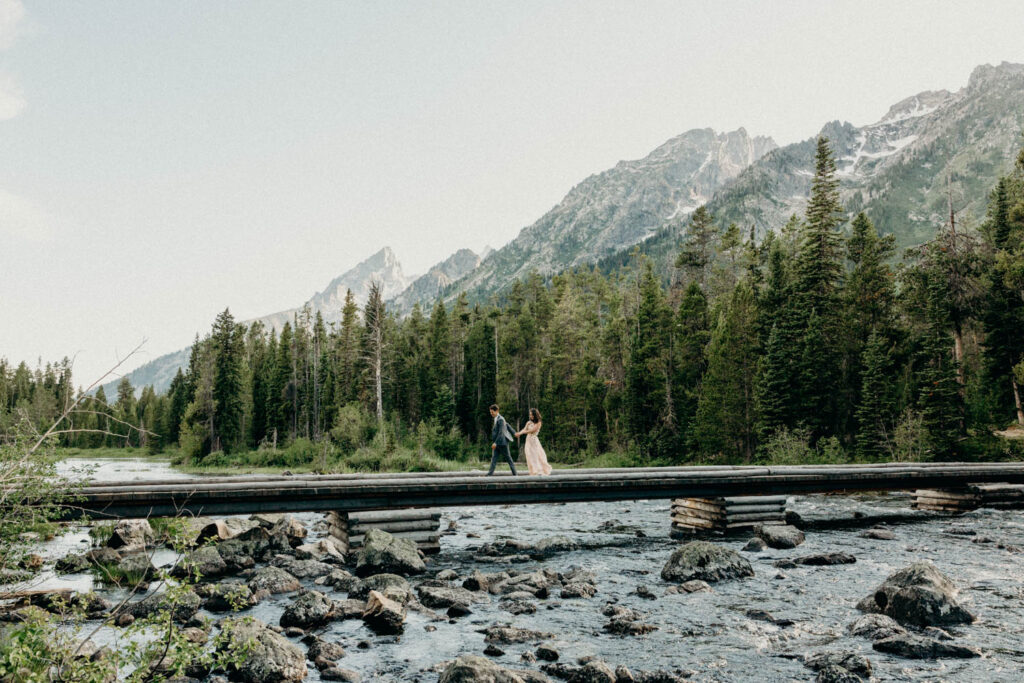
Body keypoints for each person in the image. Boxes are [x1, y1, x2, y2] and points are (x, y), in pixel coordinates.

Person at [516, 408, 552, 476]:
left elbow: (533, 430)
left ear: (535, 415)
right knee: (529, 456)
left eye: (532, 415)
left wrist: (523, 433)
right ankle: (533, 471)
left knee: (536, 455)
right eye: (530, 415)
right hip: (528, 441)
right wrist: (519, 433)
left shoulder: (539, 422)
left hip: (534, 441)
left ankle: (539, 471)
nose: (530, 416)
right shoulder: (528, 422)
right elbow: (524, 429)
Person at [487, 404, 517, 476]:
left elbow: (501, 432)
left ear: (497, 411)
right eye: (490, 412)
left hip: (502, 443)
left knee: (509, 459)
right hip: (497, 443)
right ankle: (489, 475)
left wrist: (495, 443)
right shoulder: (497, 418)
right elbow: (507, 425)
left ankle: (515, 475)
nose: (491, 414)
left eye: (492, 412)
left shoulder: (500, 419)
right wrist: (514, 432)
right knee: (494, 459)